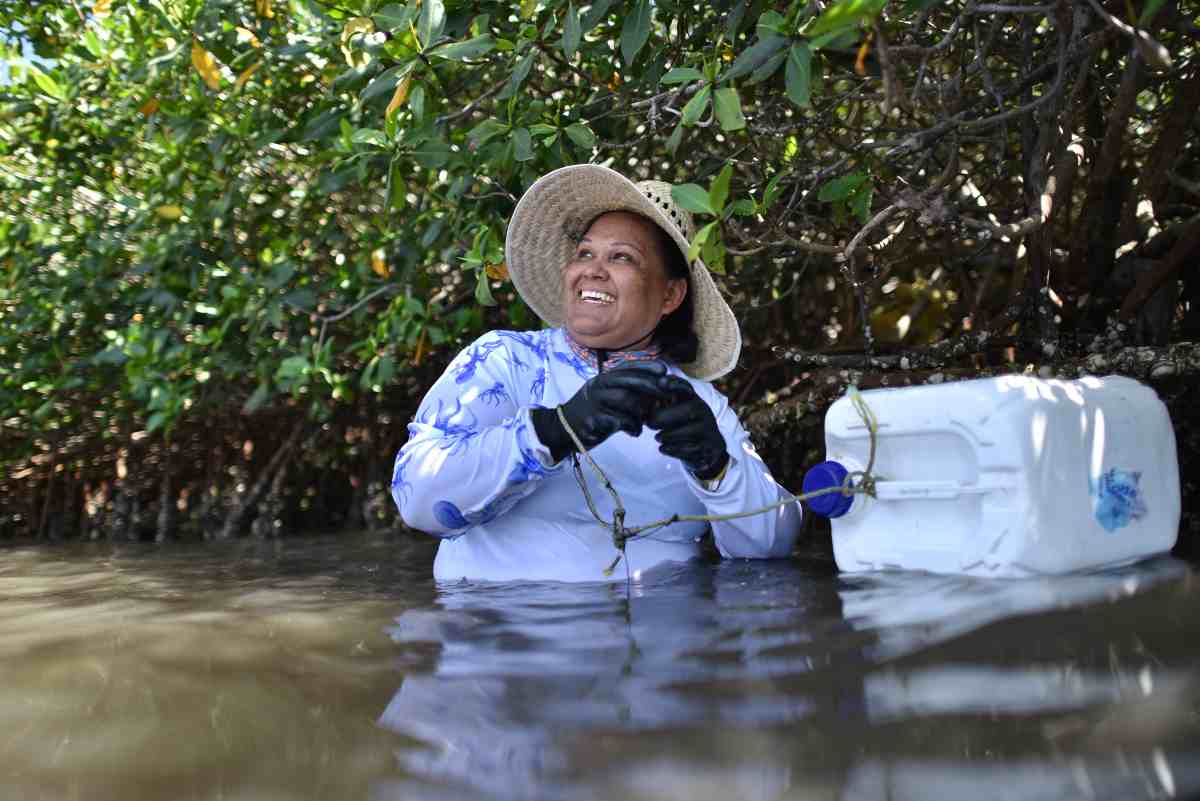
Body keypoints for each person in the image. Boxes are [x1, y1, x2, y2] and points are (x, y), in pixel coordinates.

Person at [390, 164, 801, 582]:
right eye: (584, 253)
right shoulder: (504, 360)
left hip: (652, 625)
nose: (593, 269)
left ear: (671, 295)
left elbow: (770, 549)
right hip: (494, 627)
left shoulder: (700, 406)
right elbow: (418, 498)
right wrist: (552, 430)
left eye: (622, 257)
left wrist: (716, 466)